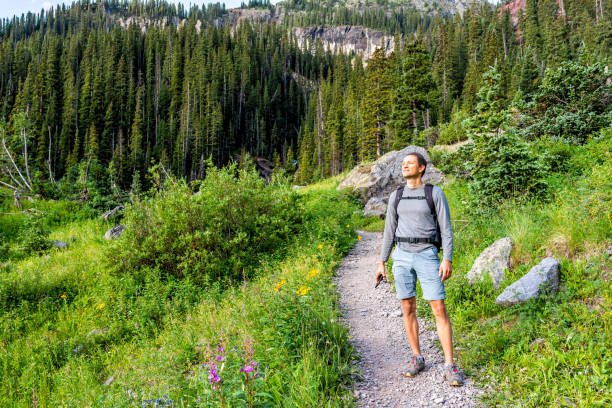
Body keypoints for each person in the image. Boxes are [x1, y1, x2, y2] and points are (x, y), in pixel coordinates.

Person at [375, 152, 463, 386]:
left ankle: (450, 365)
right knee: (407, 307)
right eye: (403, 164)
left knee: (439, 308)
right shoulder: (397, 196)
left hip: (427, 255)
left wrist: (447, 259)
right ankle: (417, 357)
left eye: (410, 163)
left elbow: (446, 229)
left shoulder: (434, 193)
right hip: (401, 256)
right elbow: (389, 231)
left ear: (421, 168)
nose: (405, 166)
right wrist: (382, 262)